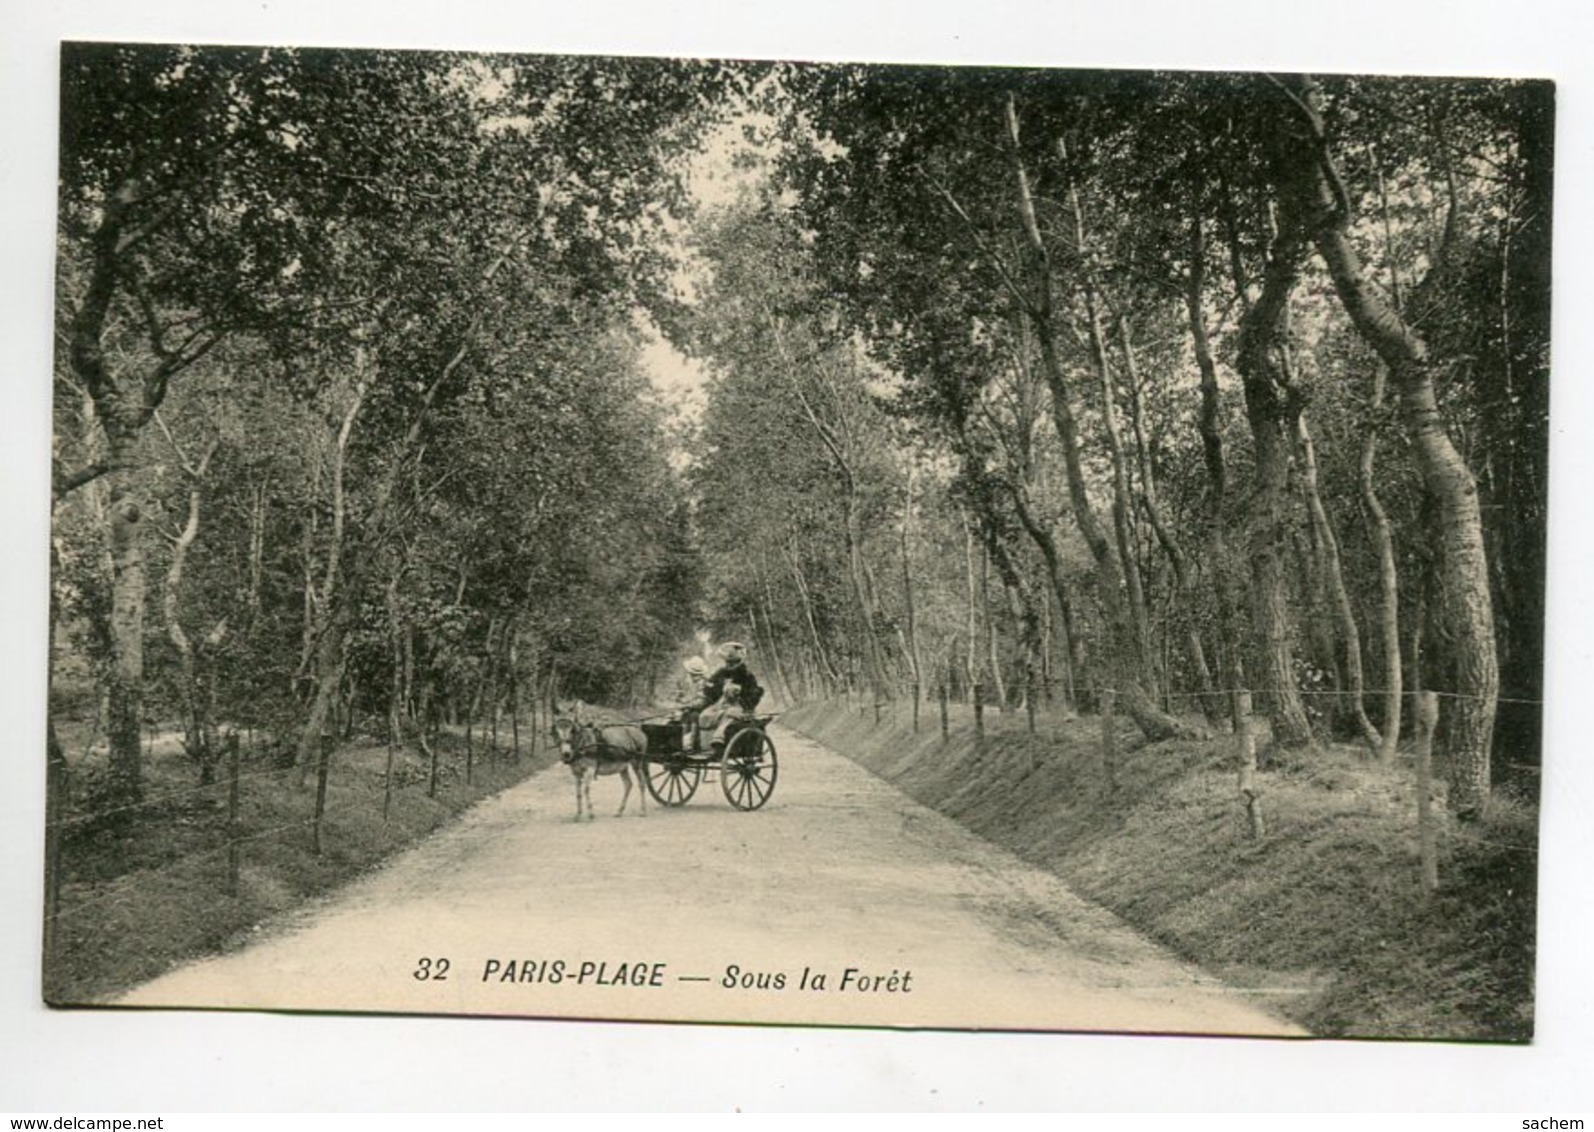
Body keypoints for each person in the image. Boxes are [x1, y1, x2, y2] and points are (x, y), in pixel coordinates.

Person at [694, 641, 762, 757]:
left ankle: (718, 739)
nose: (730, 665)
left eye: (733, 662)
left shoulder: (747, 675)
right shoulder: (721, 673)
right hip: (721, 704)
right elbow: (712, 689)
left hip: (740, 706)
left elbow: (754, 693)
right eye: (728, 662)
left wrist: (741, 692)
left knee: (728, 715)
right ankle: (702, 745)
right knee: (705, 715)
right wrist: (707, 687)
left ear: (739, 661)